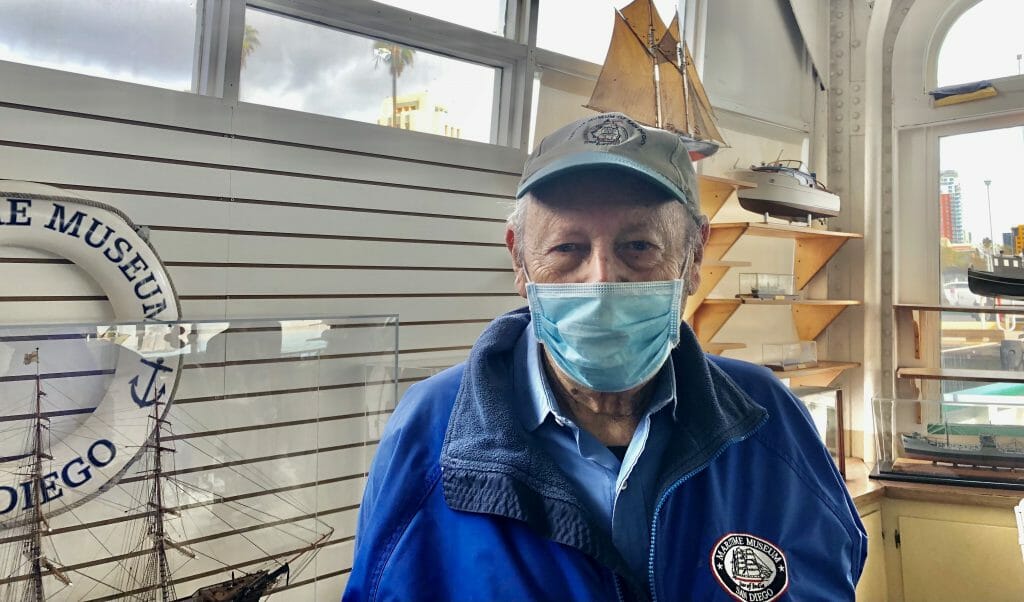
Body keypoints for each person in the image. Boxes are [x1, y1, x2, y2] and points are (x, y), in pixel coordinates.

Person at [344, 112, 866, 601]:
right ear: (518, 260)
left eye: (638, 247)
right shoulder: (429, 431)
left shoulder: (767, 419)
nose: (602, 281)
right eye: (567, 249)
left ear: (694, 256)